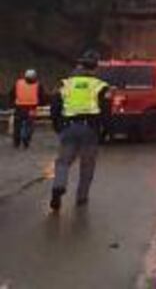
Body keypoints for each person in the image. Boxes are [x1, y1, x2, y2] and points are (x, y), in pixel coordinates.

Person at [50, 51, 110, 211]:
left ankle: (58, 186)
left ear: (80, 65)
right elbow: (106, 111)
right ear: (96, 67)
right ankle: (81, 198)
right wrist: (106, 131)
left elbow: (54, 105)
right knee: (87, 166)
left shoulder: (65, 84)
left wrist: (57, 125)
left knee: (63, 162)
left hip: (68, 127)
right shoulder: (100, 86)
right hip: (90, 130)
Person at [9, 69, 47, 149]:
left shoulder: (18, 83)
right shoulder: (38, 85)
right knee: (30, 125)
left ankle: (16, 142)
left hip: (19, 108)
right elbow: (42, 97)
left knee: (17, 125)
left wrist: (12, 104)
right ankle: (26, 140)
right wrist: (41, 104)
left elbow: (12, 94)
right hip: (31, 108)